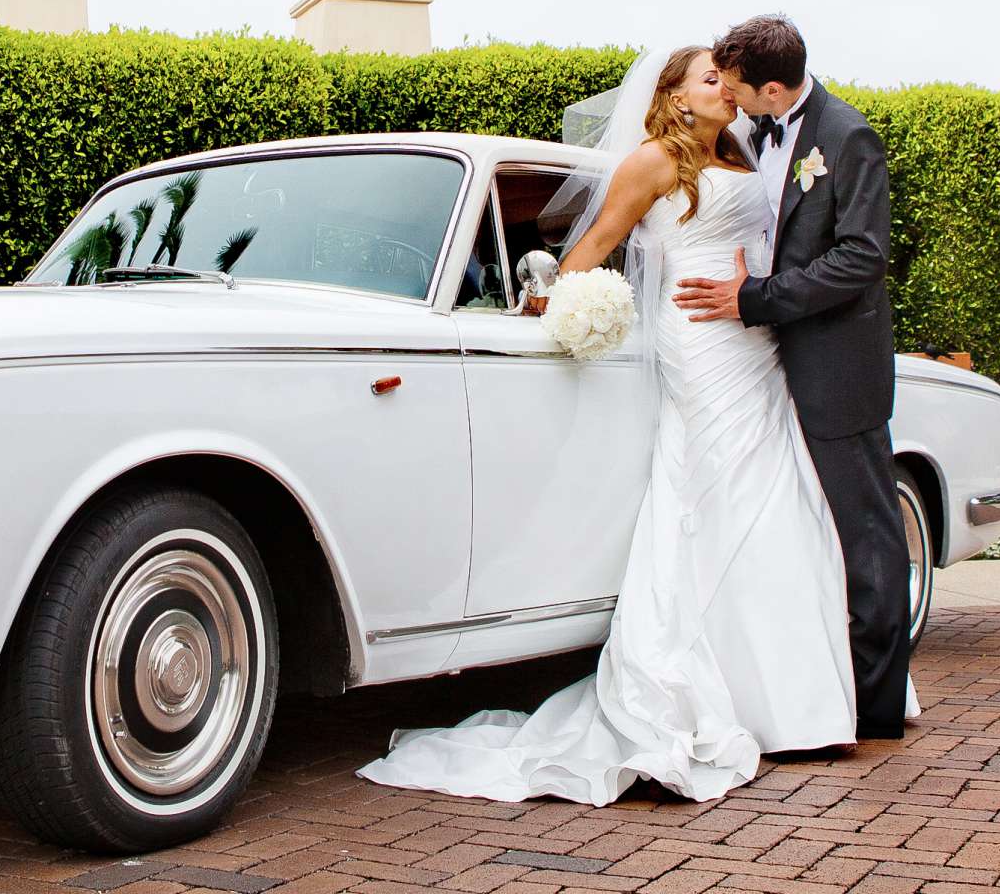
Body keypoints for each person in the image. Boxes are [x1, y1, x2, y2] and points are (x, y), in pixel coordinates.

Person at [358, 45, 855, 805]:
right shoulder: (654, 161)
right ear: (675, 96)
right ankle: (728, 694)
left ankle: (798, 702)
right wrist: (564, 308)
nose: (726, 87)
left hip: (757, 343)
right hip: (696, 341)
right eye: (709, 77)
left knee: (776, 493)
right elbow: (590, 248)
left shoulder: (749, 148)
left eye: (729, 75)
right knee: (715, 494)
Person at [673, 15, 911, 741]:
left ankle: (876, 706)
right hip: (761, 369)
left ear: (772, 87)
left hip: (836, 367)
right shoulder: (751, 136)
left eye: (738, 87)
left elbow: (861, 257)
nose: (731, 99)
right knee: (799, 530)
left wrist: (755, 299)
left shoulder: (847, 137)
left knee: (865, 536)